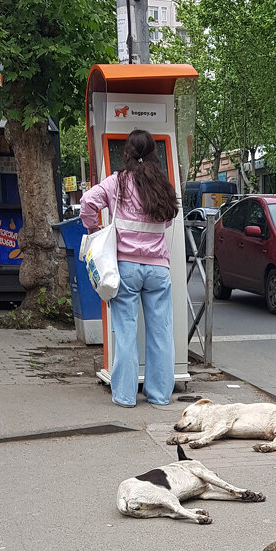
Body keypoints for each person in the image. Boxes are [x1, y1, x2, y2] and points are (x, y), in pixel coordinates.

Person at [80, 129, 179, 407]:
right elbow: (168, 220)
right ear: (153, 154)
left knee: (125, 331)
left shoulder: (118, 182)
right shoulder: (163, 184)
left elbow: (87, 202)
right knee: (161, 332)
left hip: (125, 268)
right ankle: (160, 395)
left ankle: (125, 396)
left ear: (127, 153)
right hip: (158, 269)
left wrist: (93, 227)